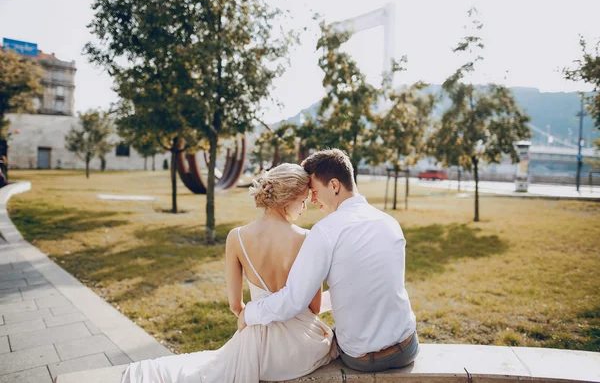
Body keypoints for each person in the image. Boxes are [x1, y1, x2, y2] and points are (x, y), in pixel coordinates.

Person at [121, 163, 337, 383]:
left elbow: (235, 306)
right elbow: (314, 308)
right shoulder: (307, 238)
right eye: (302, 200)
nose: (304, 207)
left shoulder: (237, 237)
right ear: (287, 199)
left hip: (257, 347)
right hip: (300, 348)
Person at [239, 149, 418, 373]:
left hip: (361, 358)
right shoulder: (389, 222)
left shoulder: (325, 231)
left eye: (314, 191)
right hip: (407, 348)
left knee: (319, 339)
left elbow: (293, 300)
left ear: (334, 186)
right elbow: (373, 285)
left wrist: (250, 313)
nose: (312, 200)